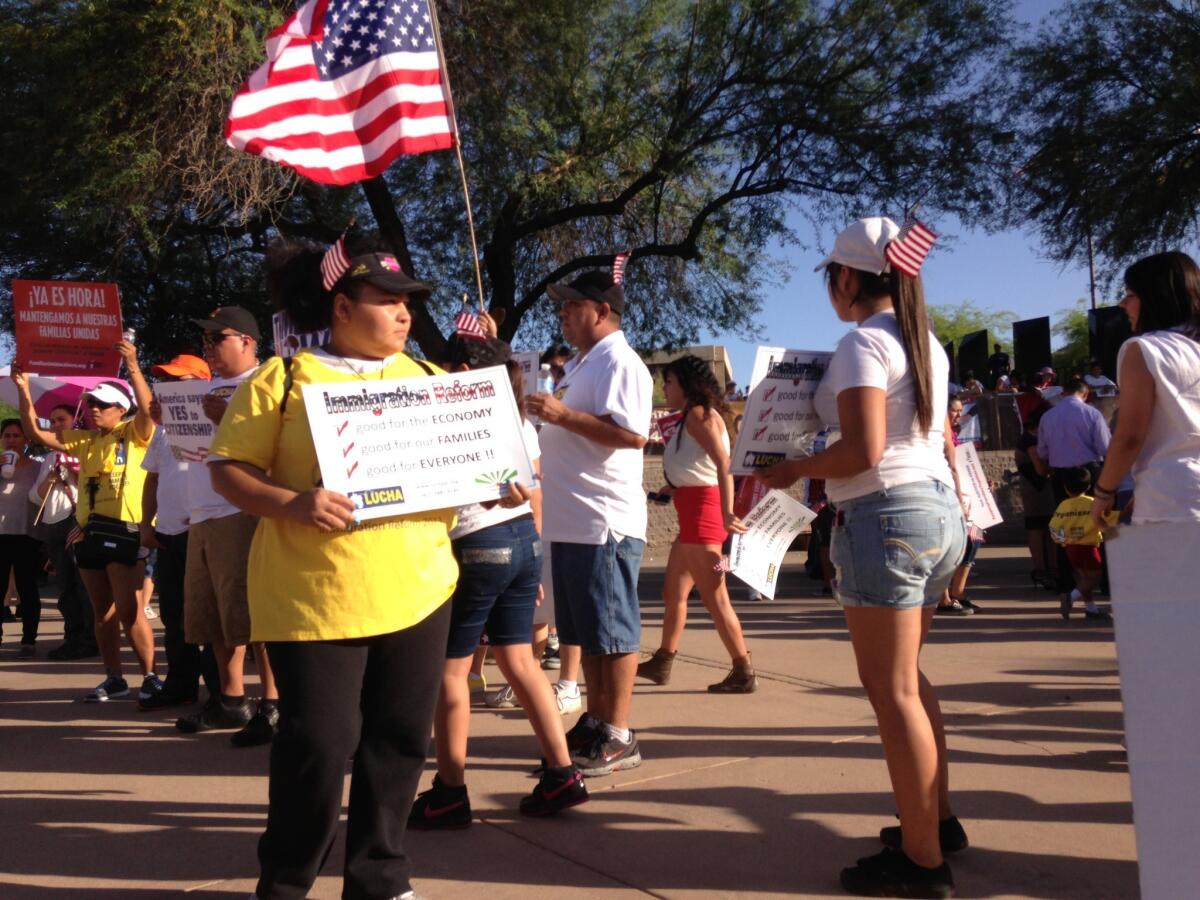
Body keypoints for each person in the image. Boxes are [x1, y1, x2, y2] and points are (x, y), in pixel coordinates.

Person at [208, 235, 462, 899]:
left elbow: (481, 469)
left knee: (401, 738)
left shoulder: (435, 383)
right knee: (319, 743)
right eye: (389, 301)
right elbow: (228, 470)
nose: (405, 315)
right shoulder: (286, 377)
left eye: (410, 303)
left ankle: (379, 875)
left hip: (420, 588)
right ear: (343, 307)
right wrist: (292, 502)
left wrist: (506, 482)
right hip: (313, 596)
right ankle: (288, 879)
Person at [757, 217, 966, 898]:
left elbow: (863, 451)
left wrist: (794, 470)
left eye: (829, 278)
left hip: (885, 514)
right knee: (911, 681)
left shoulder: (861, 343)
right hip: (935, 513)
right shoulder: (923, 341)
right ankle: (935, 820)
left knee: (893, 690)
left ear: (845, 278)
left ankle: (923, 859)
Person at [411, 347, 587, 828]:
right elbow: (537, 486)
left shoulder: (444, 419)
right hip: (522, 540)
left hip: (474, 544)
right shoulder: (517, 420)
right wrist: (532, 557)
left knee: (451, 673)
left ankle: (448, 791)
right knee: (521, 661)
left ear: (464, 373)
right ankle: (562, 771)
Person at [1087, 250, 1200, 900]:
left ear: (1146, 297)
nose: (1123, 305)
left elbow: (1129, 436)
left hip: (1172, 506)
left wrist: (1103, 494)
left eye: (1128, 294)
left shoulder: (1142, 351)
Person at [525, 264, 653, 778]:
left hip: (604, 522)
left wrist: (561, 416)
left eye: (572, 306)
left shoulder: (620, 363)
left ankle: (619, 733)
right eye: (561, 306)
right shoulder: (583, 364)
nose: (563, 315)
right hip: (573, 521)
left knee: (614, 631)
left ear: (603, 311)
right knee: (591, 632)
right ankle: (599, 722)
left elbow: (632, 434)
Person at [13, 343, 160, 703]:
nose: (93, 409)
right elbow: (35, 433)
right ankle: (115, 678)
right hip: (89, 533)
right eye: (91, 404)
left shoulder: (134, 434)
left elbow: (148, 409)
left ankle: (151, 676)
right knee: (103, 613)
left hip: (125, 531)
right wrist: (22, 387)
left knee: (129, 610)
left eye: (101, 405)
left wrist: (133, 365)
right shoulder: (84, 440)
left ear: (119, 410)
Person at [174, 307, 280, 746]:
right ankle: (231, 698)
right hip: (202, 514)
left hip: (240, 512)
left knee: (255, 616)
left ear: (248, 342)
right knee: (214, 617)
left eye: (219, 338)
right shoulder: (205, 388)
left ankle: (273, 704)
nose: (210, 346)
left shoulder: (265, 385)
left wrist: (226, 419)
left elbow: (277, 449)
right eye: (207, 340)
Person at [636, 355, 755, 693]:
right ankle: (663, 661)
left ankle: (743, 670)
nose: (665, 389)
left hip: (704, 517)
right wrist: (672, 486)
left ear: (686, 384)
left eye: (669, 382)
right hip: (692, 514)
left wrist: (727, 511)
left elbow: (723, 463)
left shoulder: (701, 416)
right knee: (673, 592)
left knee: (716, 600)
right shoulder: (691, 417)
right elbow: (699, 465)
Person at [139, 353, 220, 711]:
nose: (171, 388)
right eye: (167, 381)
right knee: (173, 614)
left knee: (210, 616)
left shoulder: (219, 422)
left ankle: (223, 691)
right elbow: (153, 478)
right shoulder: (162, 432)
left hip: (205, 530)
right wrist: (145, 523)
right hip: (168, 533)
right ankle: (180, 684)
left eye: (180, 381)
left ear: (203, 383)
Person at [1034, 374, 1110, 601]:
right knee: (1098, 524)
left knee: (1063, 525)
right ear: (1085, 394)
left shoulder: (1048, 417)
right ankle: (1104, 580)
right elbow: (1105, 447)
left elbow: (1043, 452)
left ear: (1063, 392)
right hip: (1089, 473)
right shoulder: (1092, 413)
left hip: (1061, 476)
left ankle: (1066, 580)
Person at [36, 406, 98, 660]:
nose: (55, 424)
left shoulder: (87, 448)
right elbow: (35, 495)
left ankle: (89, 639)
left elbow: (97, 486)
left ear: (76, 420)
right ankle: (72, 636)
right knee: (65, 586)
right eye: (52, 420)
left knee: (83, 584)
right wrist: (51, 480)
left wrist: (74, 473)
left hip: (76, 519)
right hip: (53, 523)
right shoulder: (51, 457)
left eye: (61, 419)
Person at [1048, 467, 1114, 620]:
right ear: (1089, 486)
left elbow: (1054, 526)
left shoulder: (1063, 505)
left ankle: (1091, 608)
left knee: (1085, 578)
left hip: (1071, 548)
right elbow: (1105, 519)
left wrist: (1063, 541)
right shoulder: (1092, 503)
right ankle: (1071, 597)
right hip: (1089, 547)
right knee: (1095, 578)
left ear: (1065, 487)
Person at [0, 419, 43, 655]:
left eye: (16, 435)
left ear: (25, 440)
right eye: (7, 435)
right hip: (1, 534)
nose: (12, 440)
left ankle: (29, 639)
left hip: (27, 535)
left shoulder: (36, 467)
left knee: (27, 587)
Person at [1013, 406, 1057, 589]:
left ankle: (1046, 569)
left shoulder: (1029, 438)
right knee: (1040, 529)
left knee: (1043, 530)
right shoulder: (1031, 441)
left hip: (1035, 489)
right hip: (1038, 490)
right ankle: (1044, 569)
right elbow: (1040, 469)